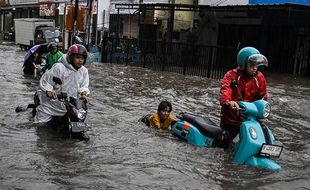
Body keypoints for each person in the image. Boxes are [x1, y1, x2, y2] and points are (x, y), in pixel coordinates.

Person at [219, 46, 268, 146]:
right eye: (252, 64)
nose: (255, 68)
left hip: (249, 120)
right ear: (243, 64)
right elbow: (225, 91)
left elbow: (263, 96)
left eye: (257, 65)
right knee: (224, 146)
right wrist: (228, 102)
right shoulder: (231, 75)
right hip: (231, 121)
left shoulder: (259, 77)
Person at [34, 44, 90, 123]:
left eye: (82, 58)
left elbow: (84, 85)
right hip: (52, 103)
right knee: (41, 124)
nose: (80, 60)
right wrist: (49, 91)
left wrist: (84, 93)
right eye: (77, 57)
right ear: (71, 57)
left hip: (71, 104)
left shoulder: (84, 71)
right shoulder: (59, 68)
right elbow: (46, 82)